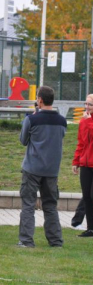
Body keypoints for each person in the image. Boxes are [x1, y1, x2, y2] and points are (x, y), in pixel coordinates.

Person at [18, 86, 66, 248]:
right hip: (52, 170)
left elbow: (23, 140)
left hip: (32, 168)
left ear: (39, 100)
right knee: (51, 206)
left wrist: (30, 118)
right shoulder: (62, 121)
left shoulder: (32, 119)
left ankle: (26, 240)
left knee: (28, 205)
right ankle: (56, 241)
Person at [72, 93, 93, 237]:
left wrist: (88, 122)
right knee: (86, 196)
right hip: (86, 163)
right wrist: (76, 161)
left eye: (90, 104)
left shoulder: (87, 121)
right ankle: (90, 228)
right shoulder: (84, 121)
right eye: (86, 104)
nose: (87, 107)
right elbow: (81, 143)